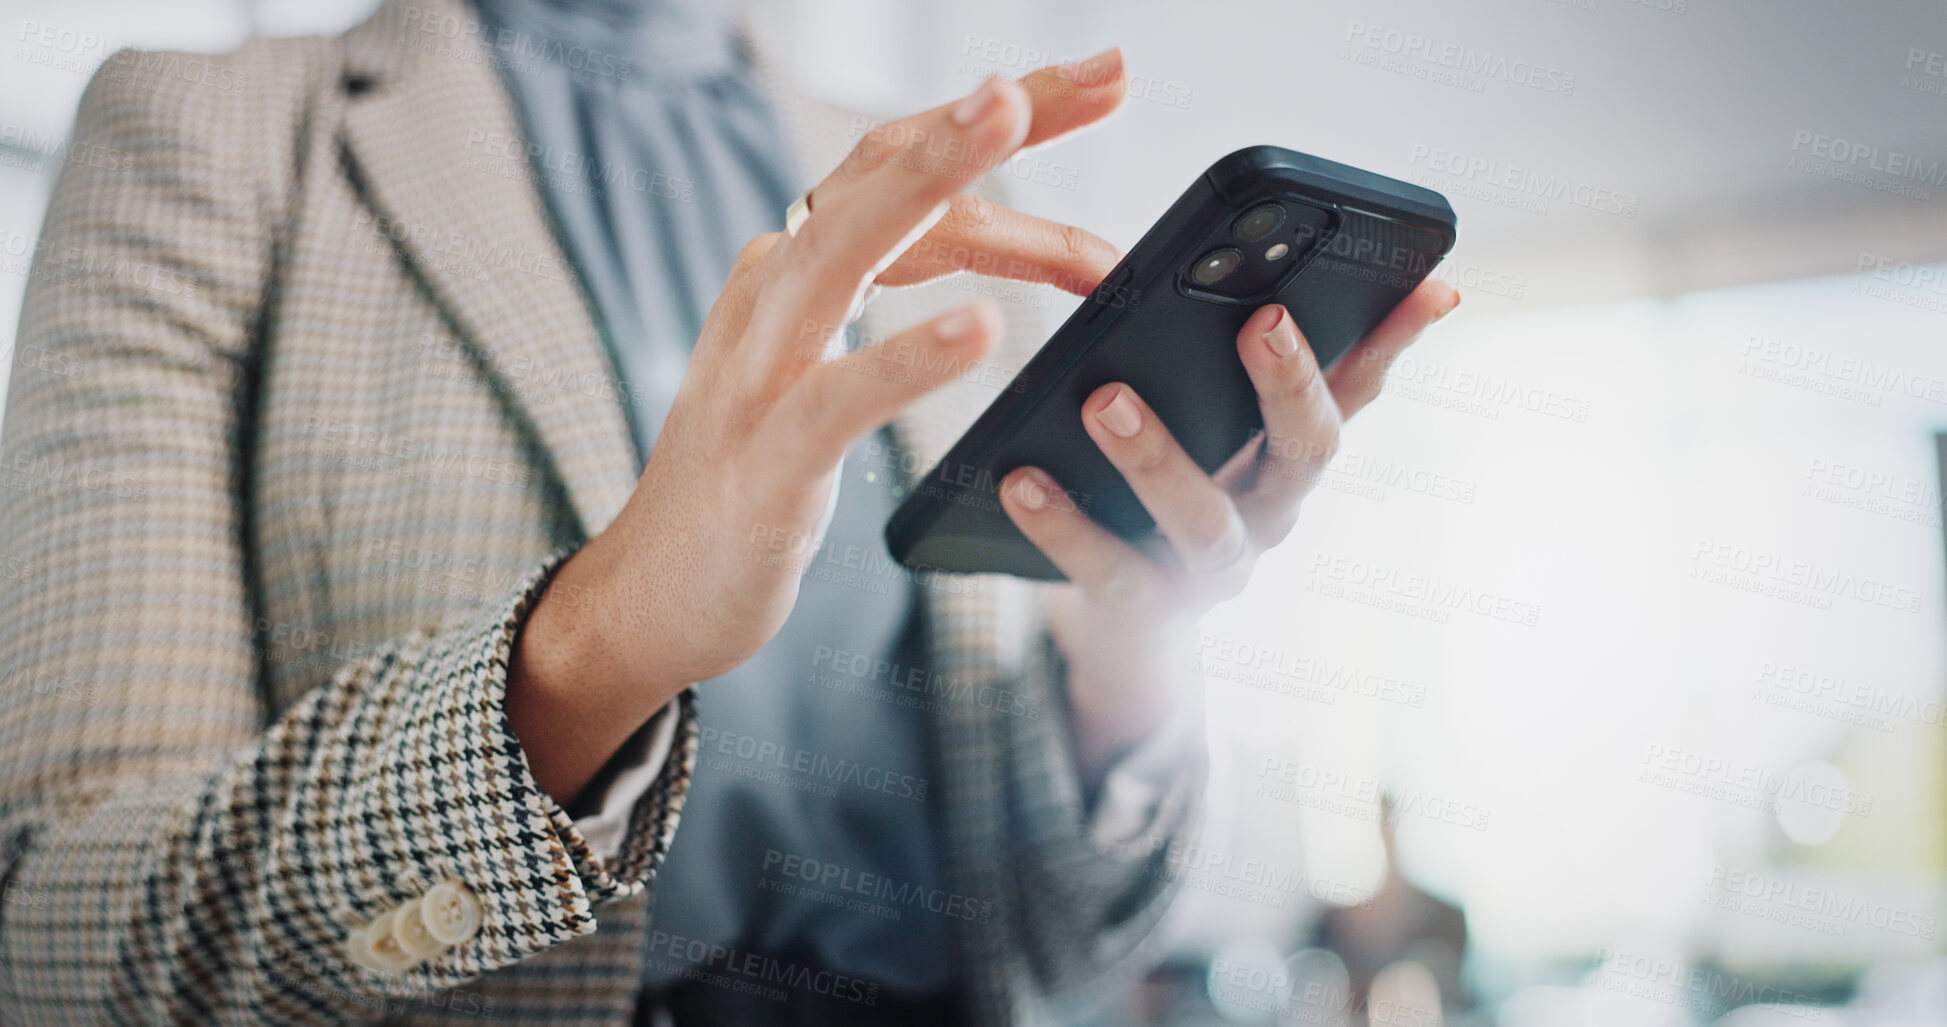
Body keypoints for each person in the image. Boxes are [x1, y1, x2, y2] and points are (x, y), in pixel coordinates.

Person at [0, 0, 1458, 1023]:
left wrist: (1125, 656)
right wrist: (599, 642)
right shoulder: (206, 133)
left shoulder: (941, 177)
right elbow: (61, 945)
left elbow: (1064, 940)